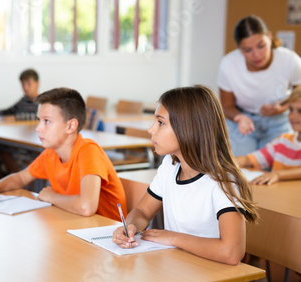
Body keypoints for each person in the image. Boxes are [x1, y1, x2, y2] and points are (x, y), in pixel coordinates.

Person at [112, 85, 258, 265]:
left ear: (188, 129)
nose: (151, 129)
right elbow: (142, 211)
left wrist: (173, 238)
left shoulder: (222, 181)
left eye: (161, 122)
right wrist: (131, 226)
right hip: (177, 267)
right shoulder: (170, 166)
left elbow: (231, 252)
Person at [0, 87, 127, 221]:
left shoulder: (88, 151)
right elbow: (20, 178)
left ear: (71, 126)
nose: (38, 128)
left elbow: (86, 206)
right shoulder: (51, 153)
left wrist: (51, 196)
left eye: (46, 121)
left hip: (107, 236)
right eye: (39, 120)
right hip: (76, 225)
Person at [217, 15, 301, 156]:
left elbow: (299, 96)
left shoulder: (290, 60)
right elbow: (227, 106)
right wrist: (240, 117)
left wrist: (282, 108)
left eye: (261, 46)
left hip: (279, 121)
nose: (256, 55)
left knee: (277, 162)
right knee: (238, 164)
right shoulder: (228, 64)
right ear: (239, 48)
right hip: (242, 122)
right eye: (247, 50)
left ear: (269, 37)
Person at [0, 68, 40, 180]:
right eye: (23, 84)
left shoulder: (41, 102)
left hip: (29, 145)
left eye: (28, 83)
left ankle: (17, 182)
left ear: (37, 84)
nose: (25, 87)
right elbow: (9, 111)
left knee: (3, 153)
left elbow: (37, 116)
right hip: (17, 141)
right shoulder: (24, 100)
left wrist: (16, 118)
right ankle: (0, 179)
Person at [236, 88, 301, 185]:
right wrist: (229, 163)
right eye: (291, 110)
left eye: (300, 111)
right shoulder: (283, 141)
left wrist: (278, 175)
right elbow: (250, 159)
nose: (293, 116)